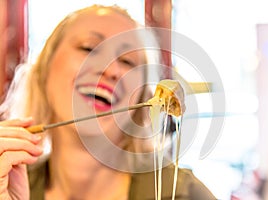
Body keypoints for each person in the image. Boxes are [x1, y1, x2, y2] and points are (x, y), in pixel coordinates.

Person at [0, 5, 216, 200]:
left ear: (143, 97)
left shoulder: (185, 194)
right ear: (44, 69)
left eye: (127, 61)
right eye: (89, 48)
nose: (111, 70)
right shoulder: (7, 185)